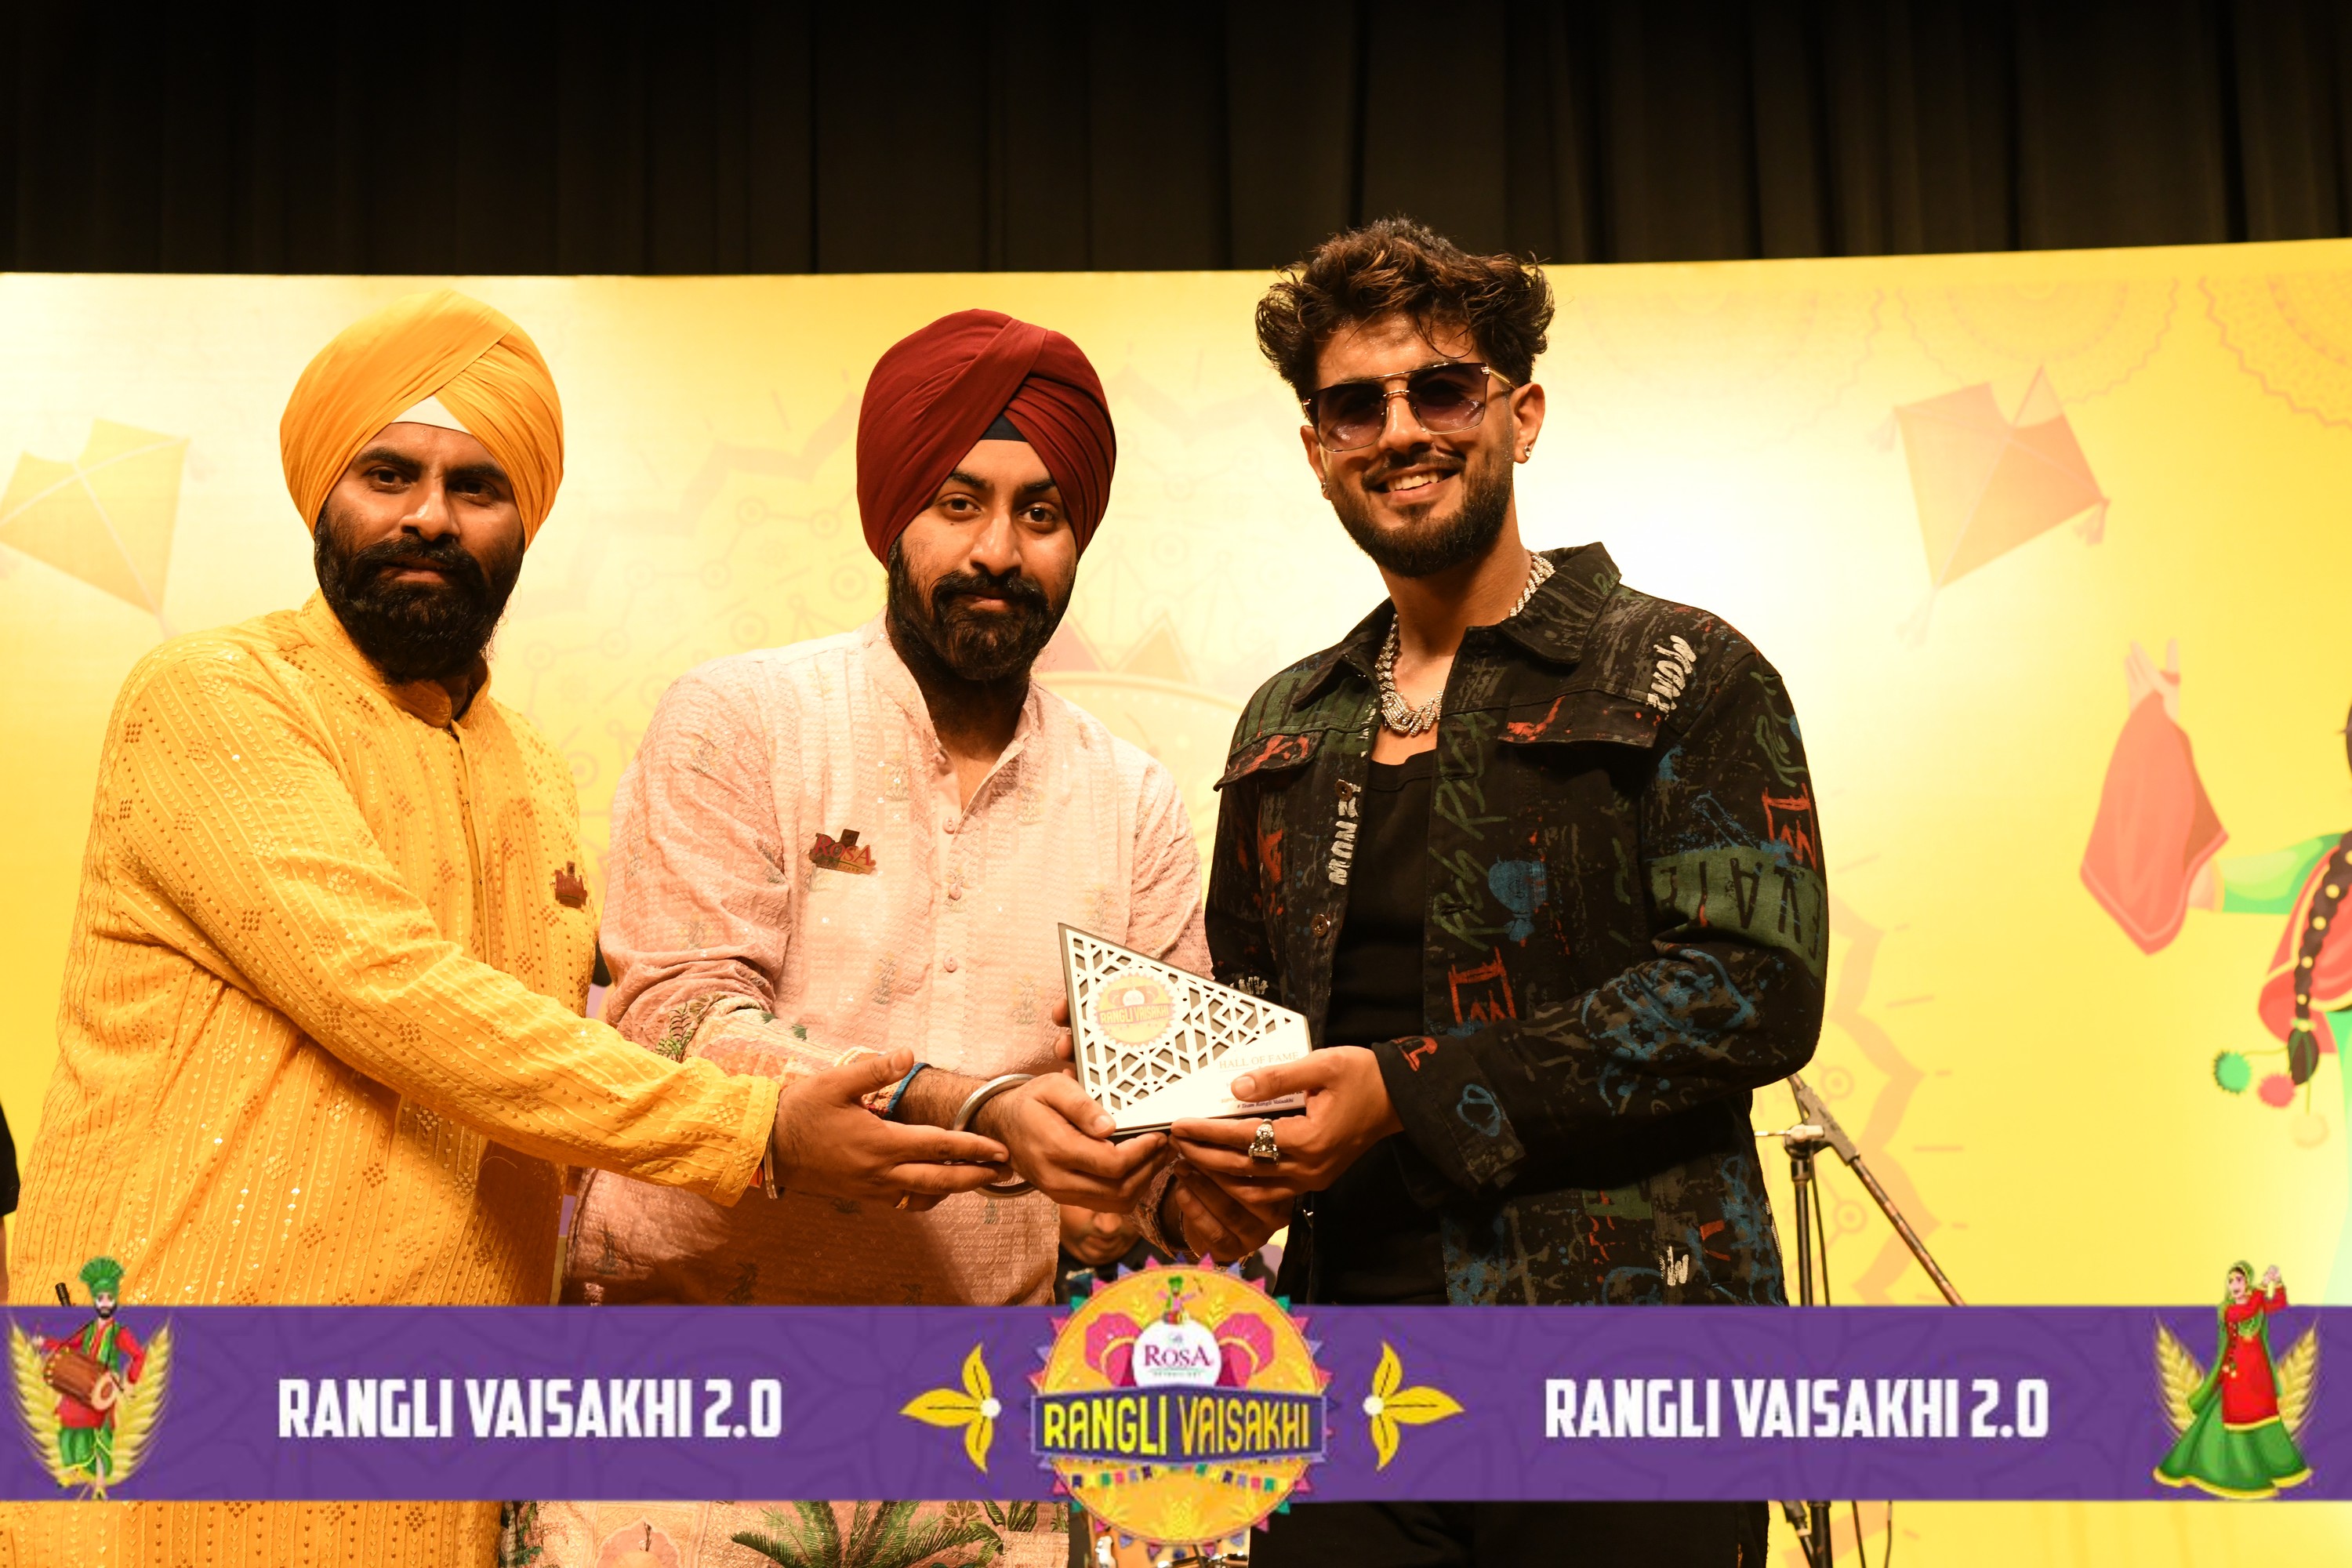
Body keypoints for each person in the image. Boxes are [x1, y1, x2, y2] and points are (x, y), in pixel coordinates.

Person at [0, 291, 1007, 1567]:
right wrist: (753, 1131)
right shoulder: (217, 696)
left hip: (441, 1431)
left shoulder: (527, 766)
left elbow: (550, 1066)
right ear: (321, 494)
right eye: (389, 475)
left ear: (525, 521)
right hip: (184, 1399)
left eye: (476, 486)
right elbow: (391, 993)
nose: (430, 515)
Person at [521, 310, 1273, 1568]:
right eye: (957, 502)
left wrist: (1180, 1185)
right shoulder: (741, 720)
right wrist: (977, 1106)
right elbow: (679, 1016)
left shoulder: (1132, 800)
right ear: (891, 516)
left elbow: (1155, 1135)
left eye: (1042, 514)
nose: (998, 551)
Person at [1163, 219, 1827, 1566]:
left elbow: (1754, 990)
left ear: (1520, 415)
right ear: (1317, 449)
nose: (1400, 429)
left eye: (1442, 390)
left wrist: (1403, 1091)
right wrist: (1202, 1165)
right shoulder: (1286, 721)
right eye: (1357, 405)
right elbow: (1254, 1027)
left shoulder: (1687, 671)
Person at [2154, 1262, 2312, 1497]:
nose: (2234, 1285)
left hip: (2258, 1375)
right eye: (2230, 1281)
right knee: (2234, 1415)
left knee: (2264, 1415)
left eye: (2239, 1280)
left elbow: (2278, 1304)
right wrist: (2262, 1286)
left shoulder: (2256, 1303)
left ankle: (2276, 1464)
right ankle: (2234, 1470)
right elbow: (2245, 1312)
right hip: (2237, 1375)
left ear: (2247, 1282)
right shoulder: (2228, 1309)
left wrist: (2276, 1282)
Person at [33, 1257, 146, 1486]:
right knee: (67, 1427)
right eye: (100, 1298)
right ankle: (70, 1472)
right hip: (80, 1386)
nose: (105, 1303)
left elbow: (139, 1356)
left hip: (103, 1390)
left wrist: (131, 1382)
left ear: (115, 1301)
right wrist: (45, 1343)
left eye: (109, 1298)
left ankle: (99, 1480)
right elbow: (67, 1346)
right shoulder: (89, 1329)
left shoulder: (120, 1332)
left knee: (97, 1435)